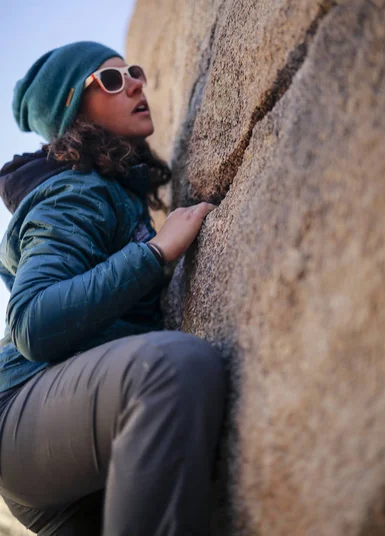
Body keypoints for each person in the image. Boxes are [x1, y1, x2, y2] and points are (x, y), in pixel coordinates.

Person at [0, 41, 227, 535]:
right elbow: (31, 321)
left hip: (76, 443)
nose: (135, 83)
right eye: (111, 79)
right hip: (25, 413)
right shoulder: (73, 190)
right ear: (74, 110)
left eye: (134, 73)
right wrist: (155, 253)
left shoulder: (112, 189)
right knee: (174, 367)